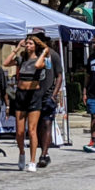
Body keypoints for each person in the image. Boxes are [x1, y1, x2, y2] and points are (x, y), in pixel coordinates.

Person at [4, 35, 49, 172]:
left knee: (32, 130)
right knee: (19, 131)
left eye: (30, 44)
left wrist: (45, 52)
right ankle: (22, 152)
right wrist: (16, 49)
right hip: (21, 95)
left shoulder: (42, 60)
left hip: (33, 95)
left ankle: (33, 160)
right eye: (27, 43)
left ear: (36, 46)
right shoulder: (21, 59)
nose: (28, 46)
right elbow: (6, 63)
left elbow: (37, 65)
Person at [34, 31, 62, 169]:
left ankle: (44, 154)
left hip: (47, 95)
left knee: (46, 124)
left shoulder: (53, 55)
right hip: (34, 96)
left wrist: (54, 94)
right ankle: (42, 150)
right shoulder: (32, 55)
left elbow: (59, 76)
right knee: (37, 127)